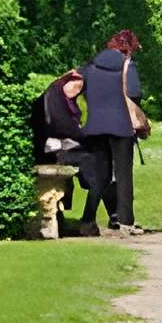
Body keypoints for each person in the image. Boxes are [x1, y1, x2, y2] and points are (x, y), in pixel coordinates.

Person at [76, 29, 152, 233]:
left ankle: (87, 222)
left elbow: (75, 87)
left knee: (99, 176)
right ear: (128, 48)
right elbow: (134, 93)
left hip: (94, 128)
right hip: (120, 127)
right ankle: (126, 222)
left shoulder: (91, 66)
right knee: (123, 174)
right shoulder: (127, 65)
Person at [33, 66, 100, 237]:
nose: (77, 91)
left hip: (61, 147)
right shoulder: (54, 96)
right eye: (76, 85)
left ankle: (95, 218)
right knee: (96, 168)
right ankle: (89, 221)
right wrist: (85, 137)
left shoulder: (62, 98)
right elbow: (64, 128)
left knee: (98, 165)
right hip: (52, 151)